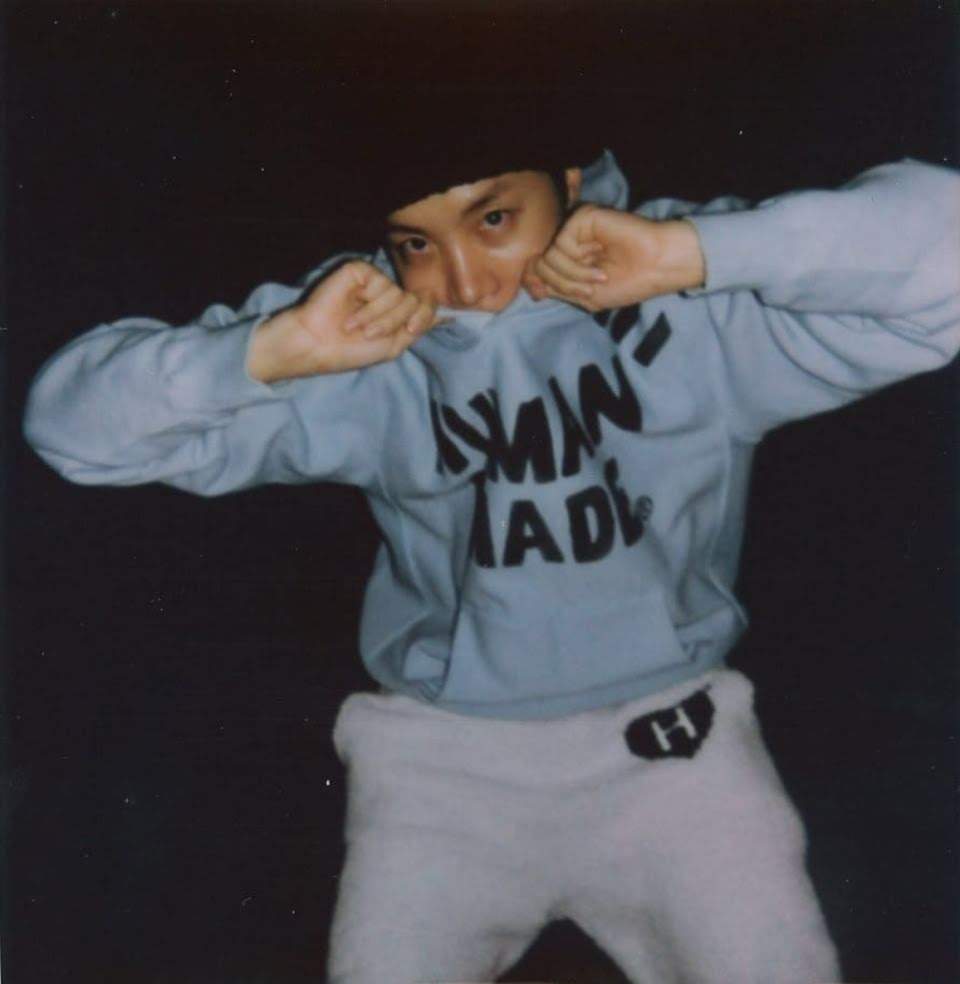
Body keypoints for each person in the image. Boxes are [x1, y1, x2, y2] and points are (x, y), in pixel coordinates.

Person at [22, 98, 960, 983]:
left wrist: (699, 252)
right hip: (442, 768)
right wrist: (262, 353)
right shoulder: (364, 331)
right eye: (416, 243)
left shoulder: (695, 306)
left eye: (495, 219)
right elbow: (69, 431)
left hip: (674, 747)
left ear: (570, 181)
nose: (468, 285)